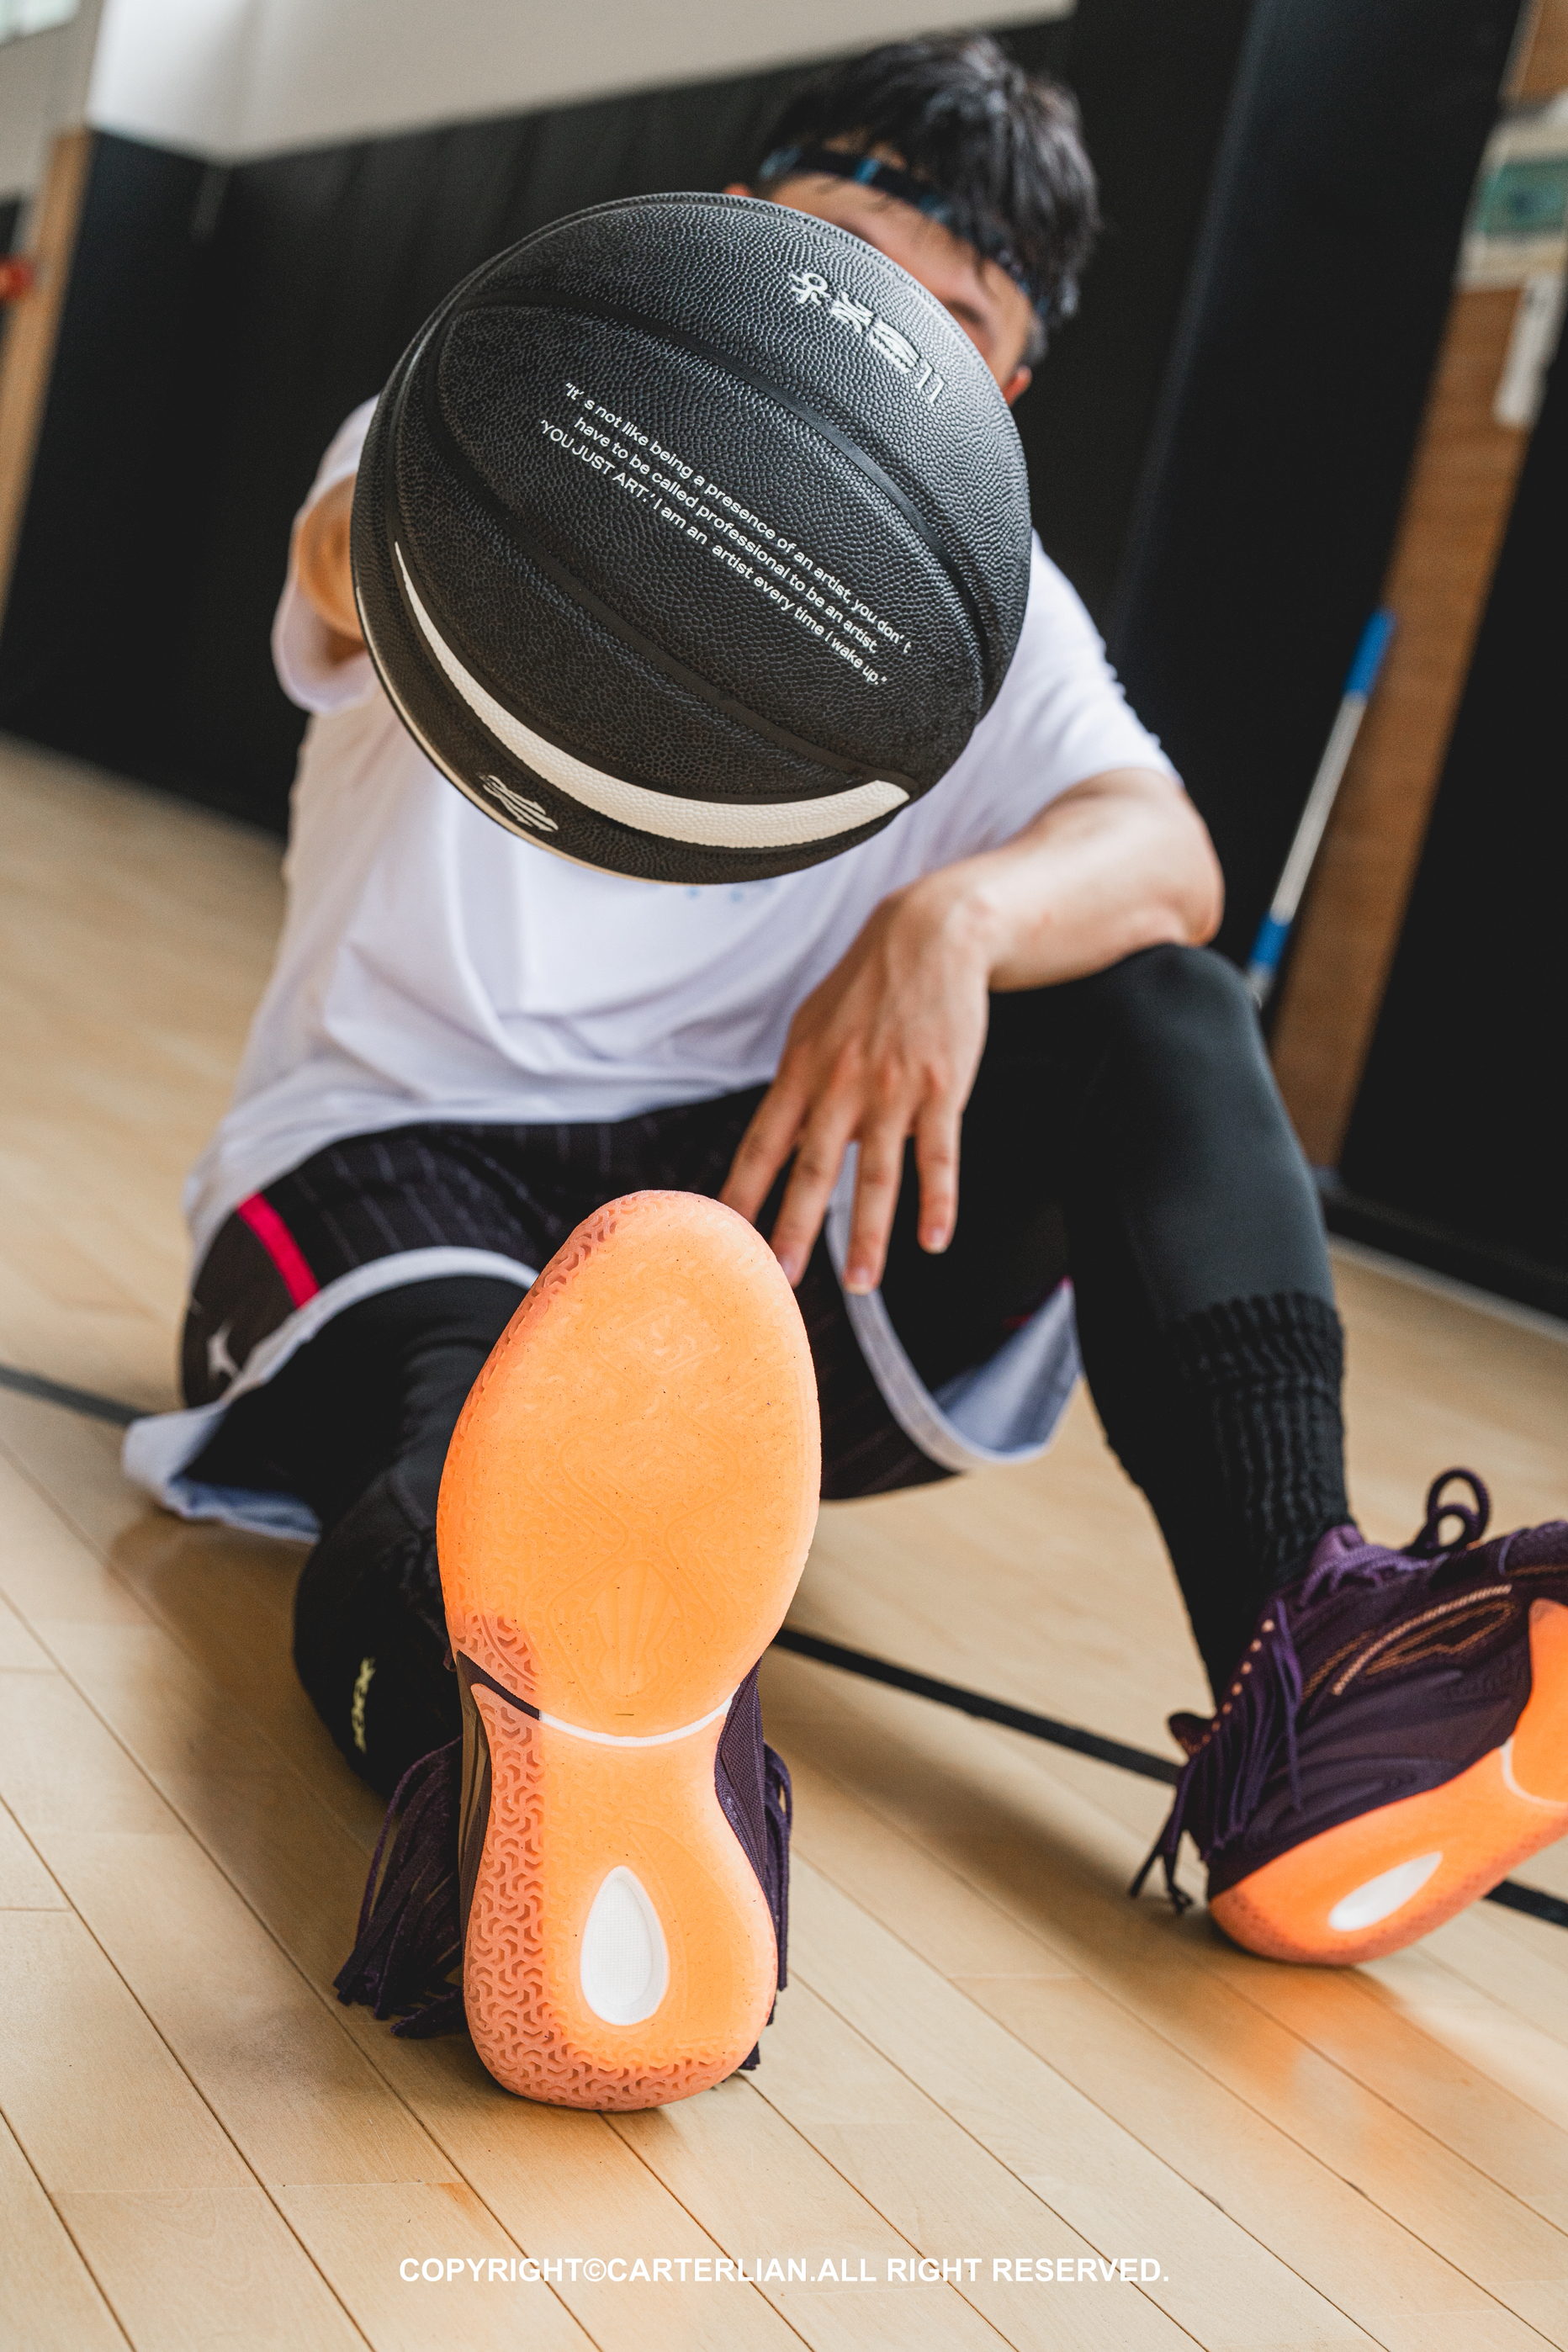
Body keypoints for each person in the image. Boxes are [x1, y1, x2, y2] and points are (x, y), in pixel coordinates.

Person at [125, 34, 1568, 1986]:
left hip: (745, 1209)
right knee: (477, 1466)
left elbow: (1164, 853)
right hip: (391, 1157)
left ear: (1002, 387)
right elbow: (336, 561)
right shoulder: (534, 383)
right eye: (834, 267)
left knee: (1154, 1001)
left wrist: (953, 918)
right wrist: (527, 524)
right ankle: (539, 1782)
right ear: (725, 243)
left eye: (948, 318)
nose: (874, 336)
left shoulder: (970, 587)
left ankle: (1305, 1678)